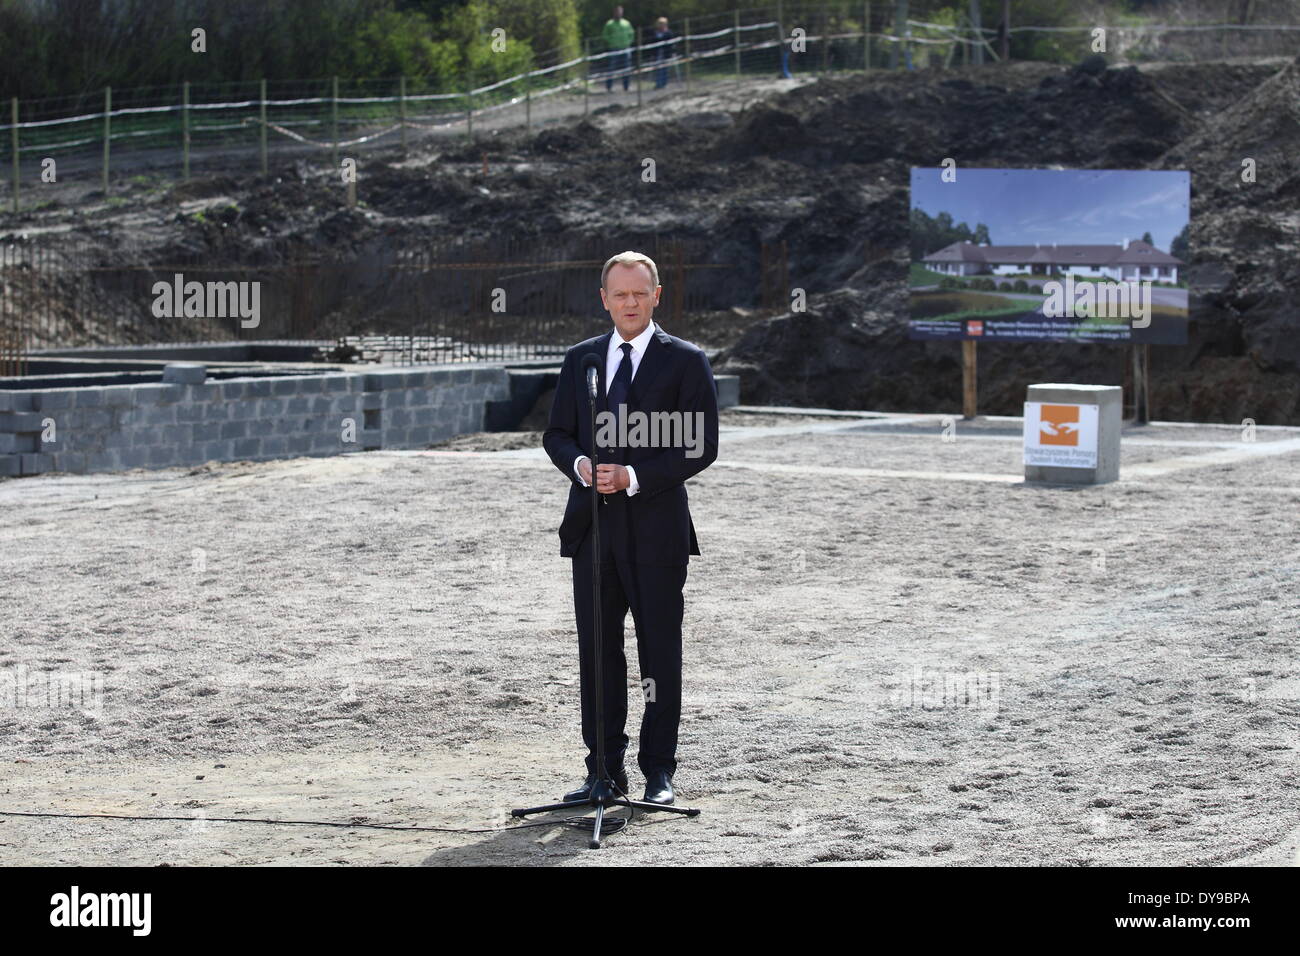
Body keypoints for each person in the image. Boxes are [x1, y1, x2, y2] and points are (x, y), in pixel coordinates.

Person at [542, 251, 719, 807]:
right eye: (620, 294)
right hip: (593, 532)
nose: (630, 303)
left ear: (657, 295)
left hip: (658, 531)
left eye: (640, 293)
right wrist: (580, 465)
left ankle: (658, 770)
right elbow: (557, 434)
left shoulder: (687, 362)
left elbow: (700, 446)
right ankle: (603, 771)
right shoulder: (582, 360)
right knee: (597, 653)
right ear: (605, 299)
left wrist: (635, 475)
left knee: (658, 652)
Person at [602, 5, 634, 93]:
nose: (618, 13)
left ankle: (626, 87)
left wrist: (628, 42)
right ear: (614, 12)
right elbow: (605, 35)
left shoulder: (626, 23)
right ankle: (609, 87)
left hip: (625, 48)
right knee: (611, 68)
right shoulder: (609, 24)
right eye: (617, 11)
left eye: (620, 11)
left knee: (627, 68)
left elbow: (632, 34)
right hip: (614, 49)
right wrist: (611, 41)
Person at [651, 17, 677, 89]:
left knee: (665, 69)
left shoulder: (669, 33)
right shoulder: (655, 33)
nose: (661, 25)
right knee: (658, 69)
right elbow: (653, 43)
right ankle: (658, 84)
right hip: (657, 54)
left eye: (662, 24)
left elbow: (672, 44)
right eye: (660, 24)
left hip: (666, 54)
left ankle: (664, 84)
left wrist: (673, 52)